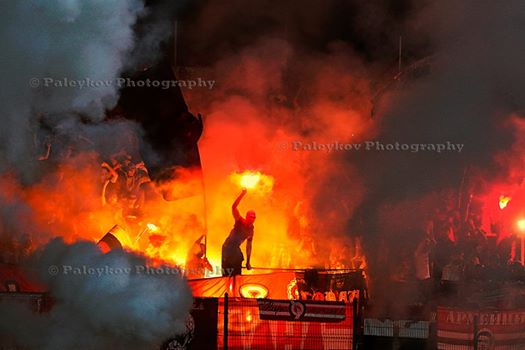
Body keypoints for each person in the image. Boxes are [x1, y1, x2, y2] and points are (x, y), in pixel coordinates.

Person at [222, 189, 255, 276]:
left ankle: (236, 283)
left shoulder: (251, 230)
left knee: (238, 263)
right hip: (227, 248)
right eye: (250, 217)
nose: (252, 220)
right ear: (247, 217)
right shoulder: (239, 221)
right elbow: (233, 207)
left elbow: (249, 246)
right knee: (227, 274)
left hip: (235, 249)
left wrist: (248, 262)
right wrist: (242, 194)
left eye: (253, 218)